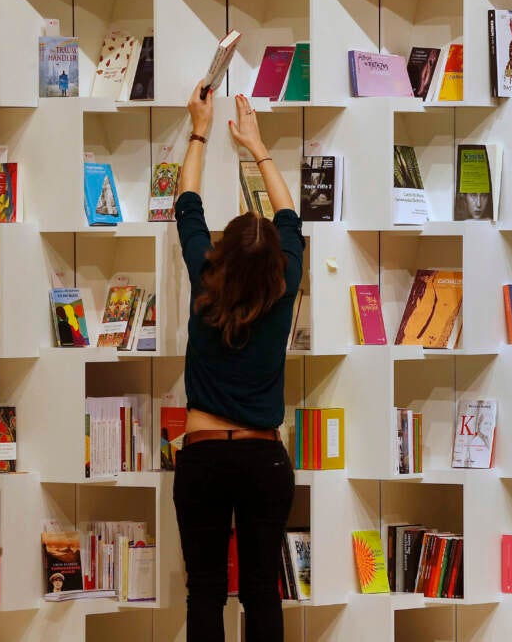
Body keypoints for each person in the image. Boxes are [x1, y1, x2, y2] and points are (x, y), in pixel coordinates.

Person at [172, 82, 302, 642]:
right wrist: (259, 148)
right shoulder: (286, 282)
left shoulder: (206, 278)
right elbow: (290, 214)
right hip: (262, 463)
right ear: (277, 262)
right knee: (260, 593)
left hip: (203, 458)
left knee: (204, 591)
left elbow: (187, 204)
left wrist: (200, 128)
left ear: (221, 253)